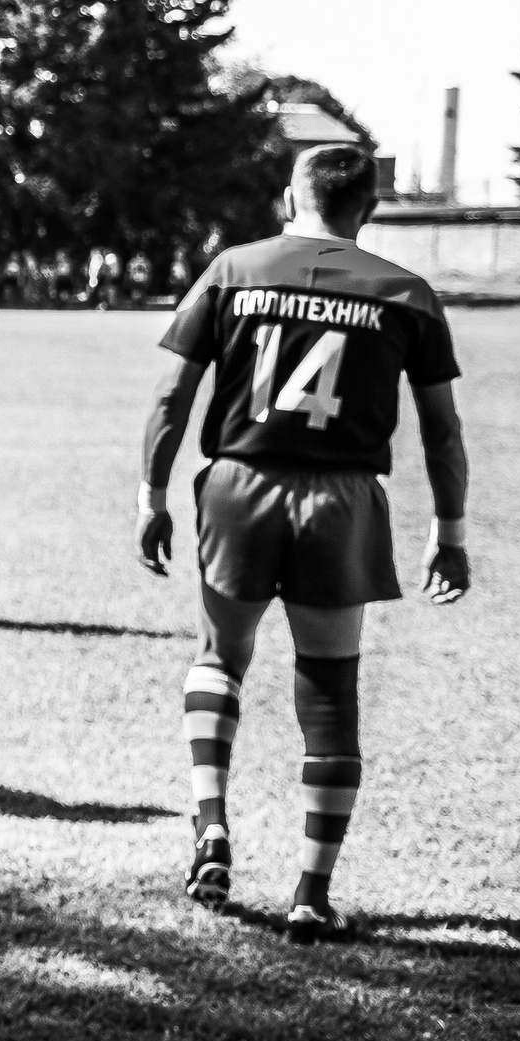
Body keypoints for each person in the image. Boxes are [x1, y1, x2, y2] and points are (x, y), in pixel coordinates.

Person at [138, 144, 470, 946]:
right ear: (370, 208)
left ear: (291, 198)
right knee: (328, 693)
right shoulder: (406, 292)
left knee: (219, 658)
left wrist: (151, 497)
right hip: (342, 500)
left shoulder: (232, 270)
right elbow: (442, 430)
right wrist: (450, 531)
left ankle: (211, 823)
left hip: (239, 486)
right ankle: (312, 895)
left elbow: (172, 398)